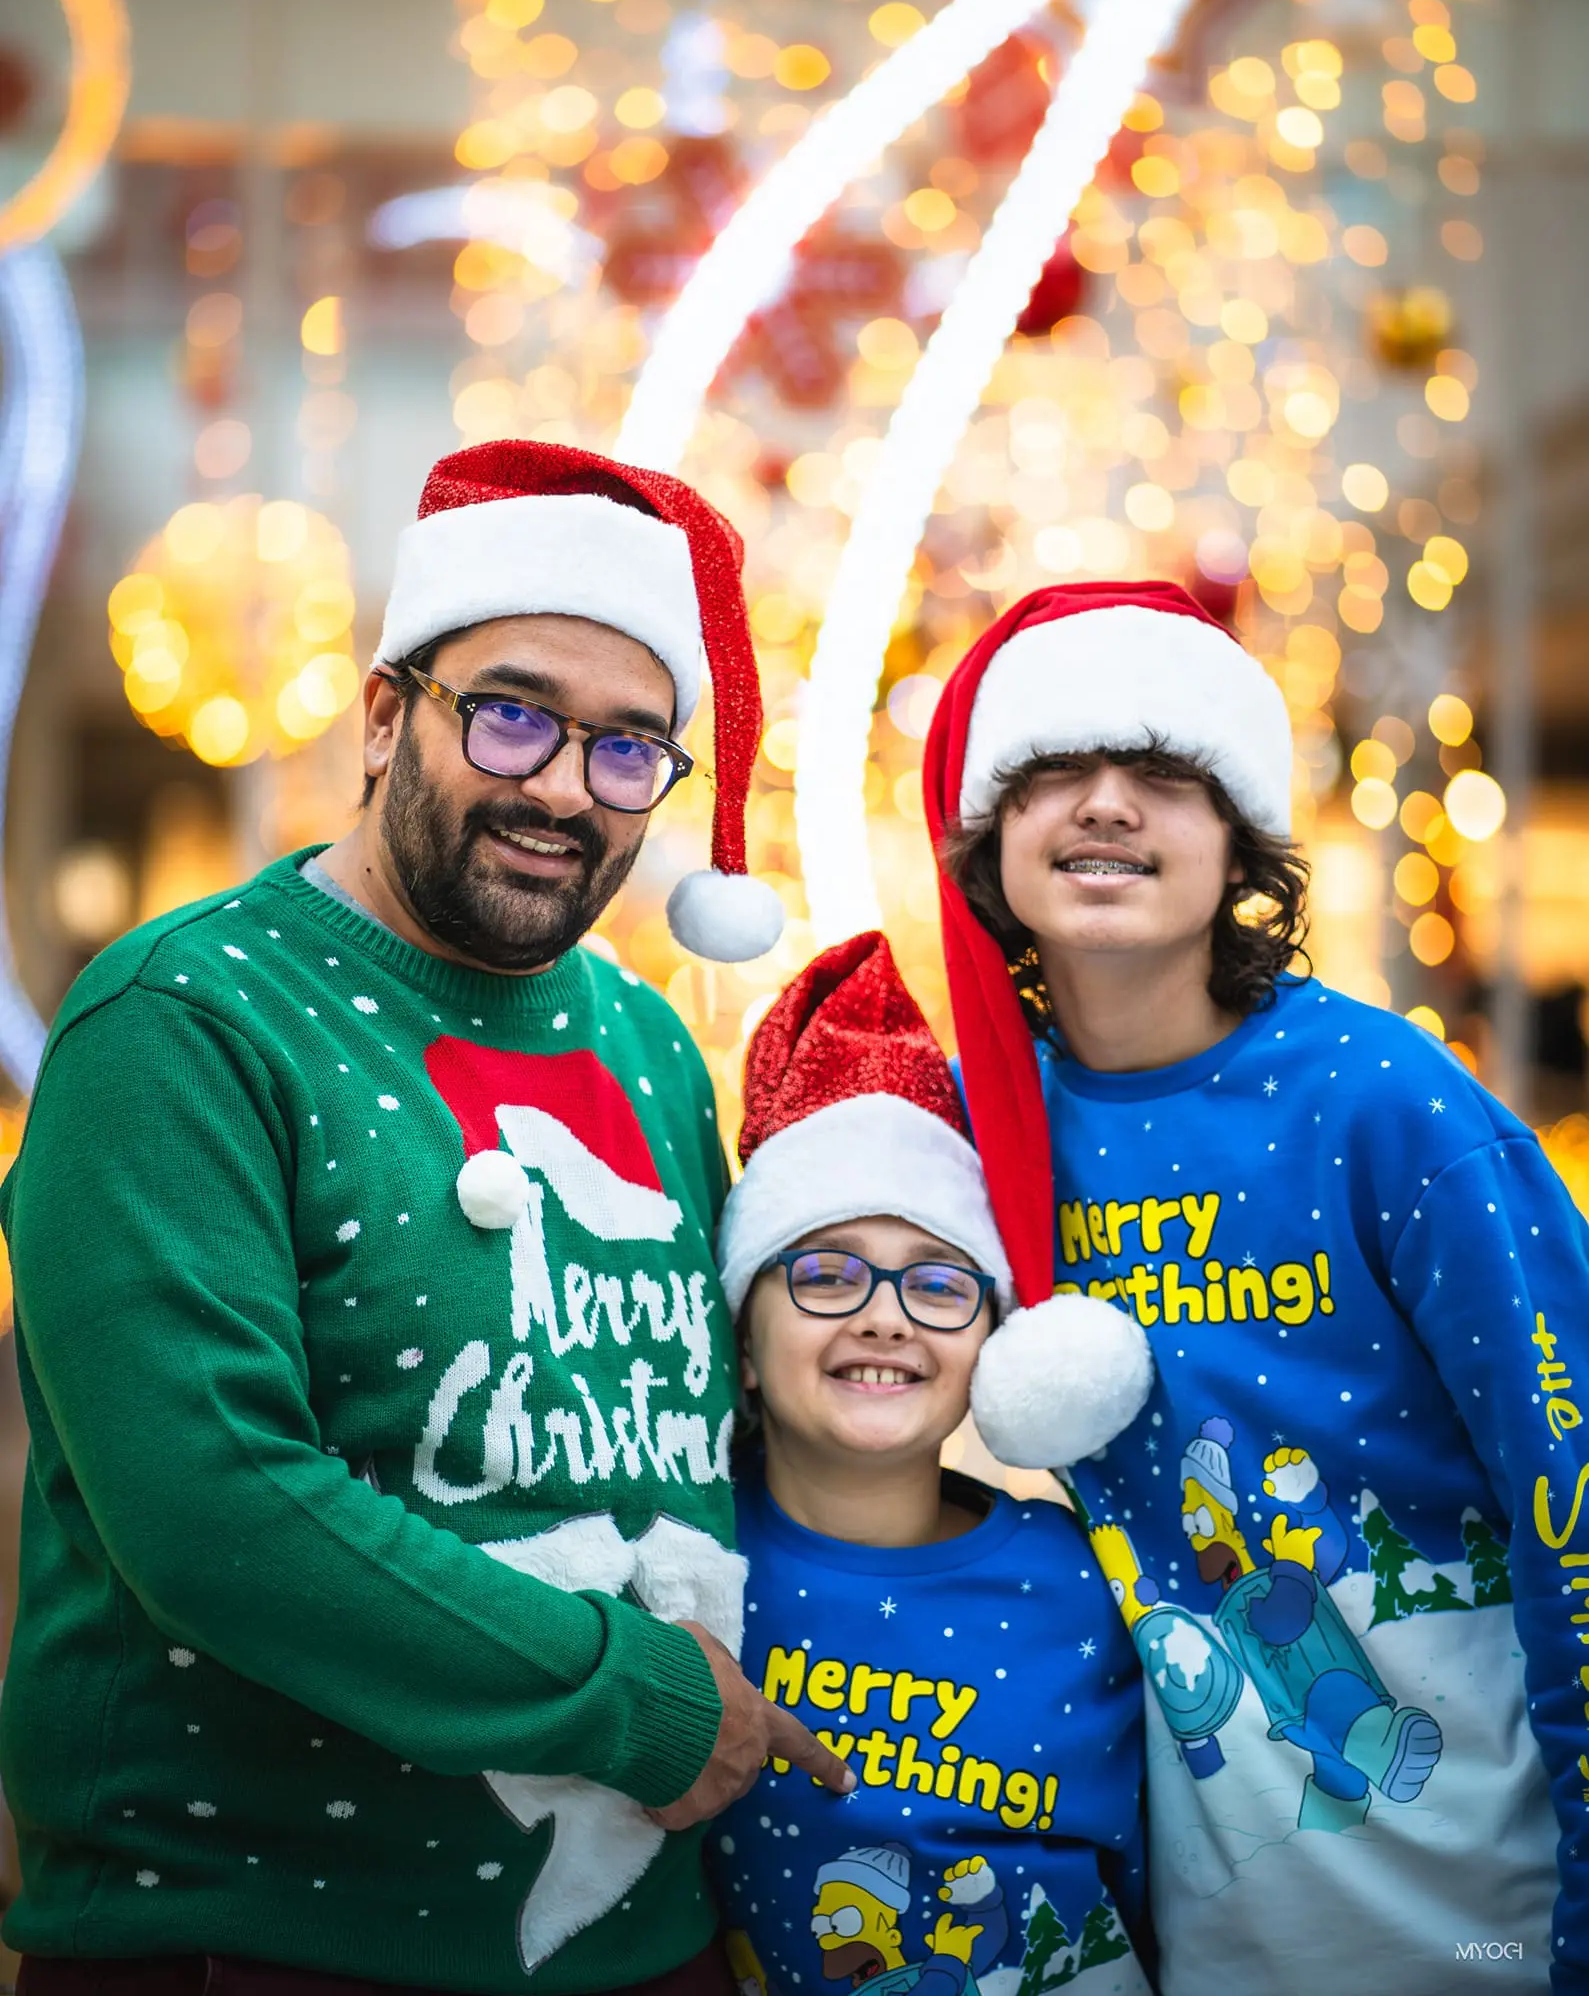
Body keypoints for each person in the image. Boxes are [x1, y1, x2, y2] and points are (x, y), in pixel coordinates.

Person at [0, 440, 851, 1996]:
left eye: (626, 750)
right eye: (513, 715)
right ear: (387, 715)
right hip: (260, 1943)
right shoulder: (184, 1021)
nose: (560, 789)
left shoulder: (650, 1041)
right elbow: (216, 1510)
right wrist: (636, 1704)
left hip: (644, 1941)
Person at [918, 578, 1589, 1994]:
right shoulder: (968, 1132)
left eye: (1162, 774)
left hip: (1487, 1888)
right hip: (1207, 1908)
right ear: (992, 843)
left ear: (1237, 850)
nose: (1104, 805)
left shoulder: (1383, 1102)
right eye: (1052, 774)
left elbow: (1569, 1484)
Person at [707, 930, 1152, 1996]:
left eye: (939, 1283)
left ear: (989, 1341)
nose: (883, 1317)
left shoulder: (1087, 1578)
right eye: (824, 1272)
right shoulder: (689, 1563)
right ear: (746, 1346)